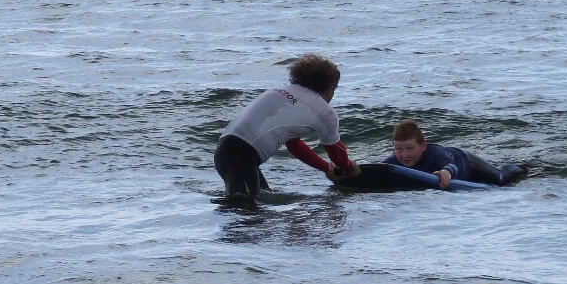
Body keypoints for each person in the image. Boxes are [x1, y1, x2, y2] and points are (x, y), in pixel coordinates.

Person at [214, 53, 360, 201]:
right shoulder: (324, 111)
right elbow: (336, 151)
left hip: (226, 151)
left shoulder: (280, 91)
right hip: (242, 155)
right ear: (330, 88)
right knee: (243, 208)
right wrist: (349, 169)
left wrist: (326, 168)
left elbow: (294, 145)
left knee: (258, 200)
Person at [383, 119, 526, 189]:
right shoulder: (394, 160)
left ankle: (523, 167)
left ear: (423, 146)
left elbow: (451, 165)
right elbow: (378, 169)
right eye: (399, 149)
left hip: (466, 162)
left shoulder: (435, 152)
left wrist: (446, 172)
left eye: (409, 148)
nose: (404, 154)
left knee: (500, 180)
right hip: (461, 175)